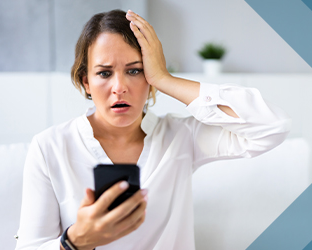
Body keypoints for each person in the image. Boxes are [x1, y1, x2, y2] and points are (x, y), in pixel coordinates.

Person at [14, 9, 290, 250]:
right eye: (104, 73)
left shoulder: (181, 137)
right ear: (86, 82)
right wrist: (75, 242)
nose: (119, 87)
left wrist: (165, 79)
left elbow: (271, 126)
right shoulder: (50, 146)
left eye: (134, 71)